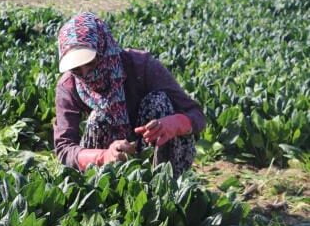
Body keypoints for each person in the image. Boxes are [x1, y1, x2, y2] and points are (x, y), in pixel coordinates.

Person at [53, 12, 205, 176]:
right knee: (97, 119)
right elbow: (64, 148)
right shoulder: (69, 85)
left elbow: (196, 115)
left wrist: (174, 124)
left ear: (103, 48)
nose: (86, 74)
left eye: (91, 63)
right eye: (77, 69)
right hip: (108, 161)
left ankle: (165, 184)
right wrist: (103, 156)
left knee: (157, 102)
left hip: (155, 146)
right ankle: (110, 191)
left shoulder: (141, 66)